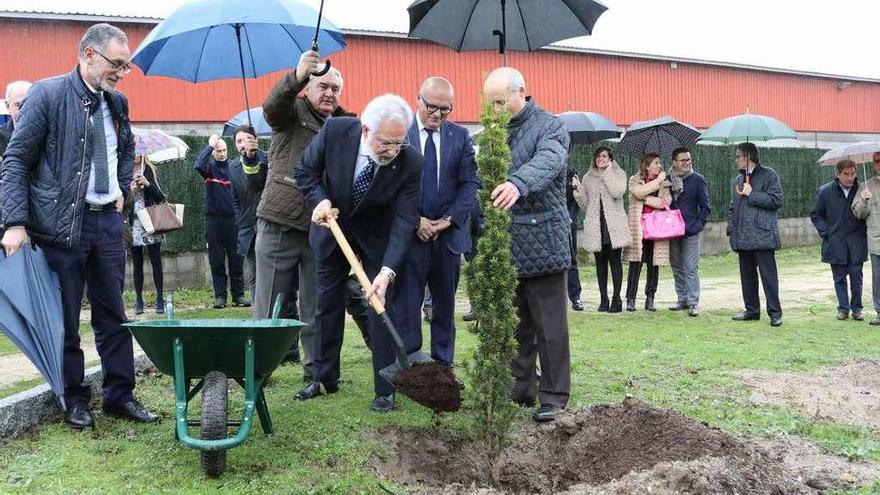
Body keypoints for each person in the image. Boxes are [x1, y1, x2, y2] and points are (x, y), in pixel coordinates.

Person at [1, 23, 158, 429]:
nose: (120, 74)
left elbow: (126, 148)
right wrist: (15, 222)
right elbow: (16, 159)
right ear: (88, 55)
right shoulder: (48, 95)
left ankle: (119, 395)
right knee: (67, 318)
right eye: (116, 64)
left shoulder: (118, 101)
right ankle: (74, 399)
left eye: (125, 67)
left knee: (113, 314)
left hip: (107, 223)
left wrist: (123, 186)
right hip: (60, 228)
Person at [293, 94, 421, 412]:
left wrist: (387, 272)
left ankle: (385, 389)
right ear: (366, 130)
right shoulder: (336, 131)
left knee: (380, 303)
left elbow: (405, 219)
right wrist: (319, 199)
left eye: (398, 143)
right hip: (331, 226)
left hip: (377, 234)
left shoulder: (411, 162)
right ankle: (324, 378)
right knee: (326, 303)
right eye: (385, 143)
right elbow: (305, 170)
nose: (392, 151)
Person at [249, 51, 353, 374]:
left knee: (317, 303)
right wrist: (295, 76)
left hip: (321, 227)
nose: (330, 93)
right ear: (308, 88)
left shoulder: (343, 124)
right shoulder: (291, 110)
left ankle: (315, 369)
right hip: (281, 219)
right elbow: (271, 108)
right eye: (323, 86)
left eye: (335, 89)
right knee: (269, 303)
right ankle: (258, 370)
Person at [483, 67, 571, 423]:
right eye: (492, 104)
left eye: (501, 101)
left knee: (550, 326)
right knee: (517, 325)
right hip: (508, 244)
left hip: (545, 241)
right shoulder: (494, 135)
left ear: (522, 91)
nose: (496, 109)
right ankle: (520, 388)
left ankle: (553, 395)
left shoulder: (551, 127)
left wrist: (518, 183)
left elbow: (549, 161)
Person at [394, 77, 479, 371]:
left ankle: (443, 366)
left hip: (448, 239)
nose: (437, 115)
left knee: (444, 307)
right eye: (432, 107)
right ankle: (411, 366)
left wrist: (446, 221)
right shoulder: (400, 133)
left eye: (445, 110)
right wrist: (415, 220)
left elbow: (470, 185)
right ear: (418, 99)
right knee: (408, 305)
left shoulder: (461, 136)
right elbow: (390, 185)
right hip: (410, 236)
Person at [727, 142, 784, 327]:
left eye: (738, 156)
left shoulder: (769, 175)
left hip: (763, 235)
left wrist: (753, 194)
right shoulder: (737, 180)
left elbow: (776, 200)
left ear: (747, 157)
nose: (736, 160)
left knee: (768, 276)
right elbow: (733, 206)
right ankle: (751, 311)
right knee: (747, 276)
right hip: (742, 235)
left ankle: (775, 313)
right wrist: (731, 226)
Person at [572, 146, 630, 313]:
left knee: (615, 262)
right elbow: (584, 204)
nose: (600, 159)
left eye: (604, 156)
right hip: (596, 225)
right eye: (598, 156)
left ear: (610, 159)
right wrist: (578, 189)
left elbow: (618, 192)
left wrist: (607, 173)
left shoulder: (619, 174)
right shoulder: (588, 178)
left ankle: (616, 299)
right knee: (600, 263)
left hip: (614, 226)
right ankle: (603, 299)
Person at [194, 135, 247, 309]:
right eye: (218, 151)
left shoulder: (234, 167)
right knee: (216, 260)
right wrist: (209, 145)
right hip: (214, 220)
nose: (222, 153)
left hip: (234, 220)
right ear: (214, 152)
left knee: (236, 259)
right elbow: (198, 165)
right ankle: (220, 297)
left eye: (224, 150)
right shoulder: (208, 168)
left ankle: (238, 296)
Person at [812, 160, 867, 320]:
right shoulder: (825, 191)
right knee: (839, 277)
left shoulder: (863, 189)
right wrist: (825, 231)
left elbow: (869, 213)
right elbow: (815, 214)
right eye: (846, 174)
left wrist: (866, 200)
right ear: (837, 174)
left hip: (857, 241)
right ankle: (843, 309)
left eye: (853, 174)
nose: (850, 178)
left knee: (856, 276)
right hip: (835, 242)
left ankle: (857, 309)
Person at [624, 154, 672, 312]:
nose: (659, 165)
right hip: (638, 227)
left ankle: (650, 298)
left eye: (660, 162)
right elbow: (638, 192)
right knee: (635, 263)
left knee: (653, 263)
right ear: (647, 166)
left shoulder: (664, 183)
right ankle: (630, 299)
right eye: (656, 163)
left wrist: (646, 200)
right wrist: (655, 183)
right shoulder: (634, 179)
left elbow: (666, 202)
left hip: (656, 227)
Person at [667, 148, 711, 317]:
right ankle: (682, 298)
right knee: (677, 266)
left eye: (688, 159)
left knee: (690, 267)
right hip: (671, 231)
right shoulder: (667, 180)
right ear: (674, 162)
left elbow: (706, 206)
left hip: (690, 230)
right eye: (683, 160)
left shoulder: (698, 180)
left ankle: (693, 302)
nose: (687, 163)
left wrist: (698, 225)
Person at [228, 124, 267, 297]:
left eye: (247, 139)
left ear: (255, 140)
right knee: (254, 273)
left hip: (268, 224)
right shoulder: (232, 167)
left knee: (273, 272)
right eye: (239, 141)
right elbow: (234, 198)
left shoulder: (267, 160)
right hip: (247, 227)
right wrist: (240, 218)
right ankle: (258, 316)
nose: (243, 143)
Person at [128, 154, 166, 315]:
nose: (136, 154)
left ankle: (159, 298)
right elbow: (120, 196)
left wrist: (147, 183)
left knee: (155, 259)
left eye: (139, 150)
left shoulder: (149, 169)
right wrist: (131, 190)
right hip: (134, 222)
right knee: (137, 262)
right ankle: (139, 300)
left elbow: (161, 197)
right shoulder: (124, 169)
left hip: (151, 220)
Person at [853, 152, 880, 325]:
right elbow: (858, 214)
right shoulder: (865, 186)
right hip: (876, 241)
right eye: (877, 161)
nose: (879, 163)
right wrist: (863, 200)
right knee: (878, 280)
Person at [566, 166, 584, 311]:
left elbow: (576, 202)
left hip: (568, 223)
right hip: (550, 223)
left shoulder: (572, 175)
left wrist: (570, 217)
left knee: (571, 260)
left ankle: (576, 297)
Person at [0, 80, 31, 158]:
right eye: (18, 105)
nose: (24, 110)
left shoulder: (50, 136)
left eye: (29, 104)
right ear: (7, 106)